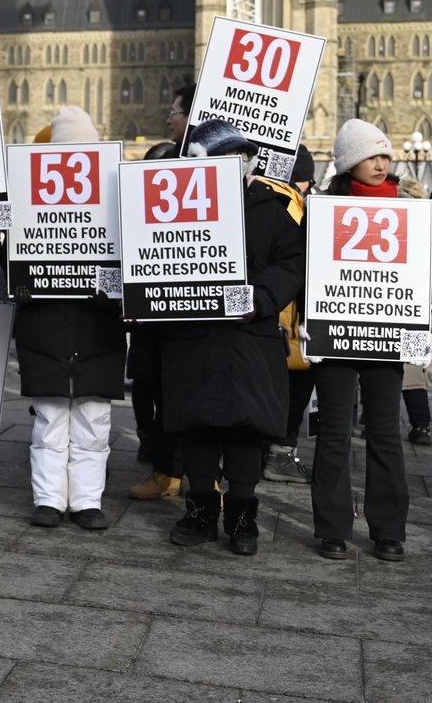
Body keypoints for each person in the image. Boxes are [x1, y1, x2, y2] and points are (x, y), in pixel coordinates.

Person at [161, 119, 304, 556]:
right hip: (194, 336)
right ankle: (201, 511)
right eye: (227, 157)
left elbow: (292, 263)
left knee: (246, 429)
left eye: (242, 156)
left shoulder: (271, 207)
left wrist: (259, 298)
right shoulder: (177, 204)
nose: (238, 163)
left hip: (250, 337)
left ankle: (243, 516)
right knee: (198, 427)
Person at [308, 119, 418, 561]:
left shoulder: (409, 207)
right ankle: (332, 527)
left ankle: (389, 530)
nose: (380, 163)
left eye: (385, 155)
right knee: (334, 433)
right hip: (336, 333)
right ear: (349, 162)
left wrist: (418, 325)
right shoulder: (324, 208)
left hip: (385, 333)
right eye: (371, 156)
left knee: (386, 433)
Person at [13, 108, 124, 530]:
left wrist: (114, 289)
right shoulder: (25, 191)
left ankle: (86, 501)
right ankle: (48, 500)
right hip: (48, 326)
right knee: (50, 419)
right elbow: (9, 244)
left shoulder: (115, 193)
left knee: (93, 421)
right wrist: (19, 282)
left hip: (96, 327)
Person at [129, 84, 196, 501]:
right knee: (157, 388)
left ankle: (200, 477)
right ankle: (166, 469)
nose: (169, 118)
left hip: (196, 303)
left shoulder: (223, 168)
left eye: (175, 112)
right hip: (158, 301)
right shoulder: (166, 163)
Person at [264, 143, 316, 484]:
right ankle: (280, 453)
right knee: (294, 387)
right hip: (292, 320)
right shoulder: (300, 207)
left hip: (268, 315)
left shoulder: (258, 202)